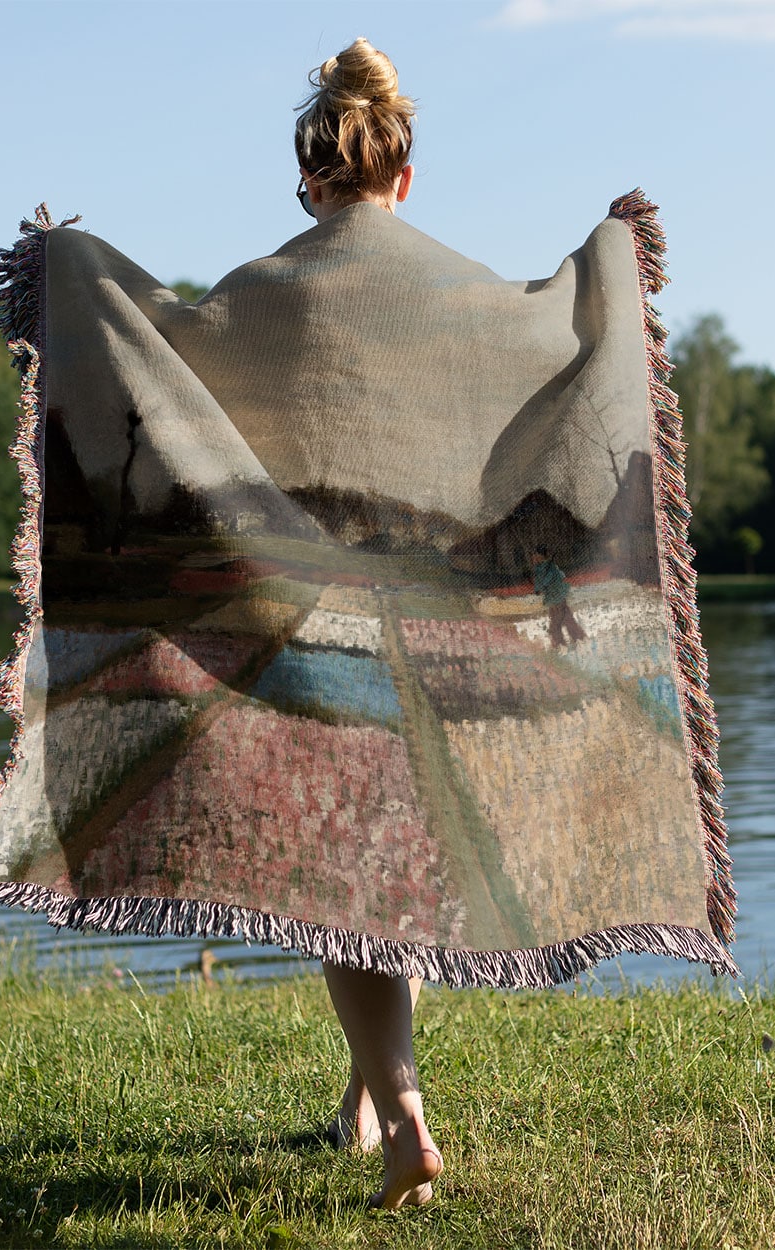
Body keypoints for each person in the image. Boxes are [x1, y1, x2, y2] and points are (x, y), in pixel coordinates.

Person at [292, 38, 442, 1211]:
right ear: (401, 176)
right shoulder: (451, 290)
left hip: (316, 616)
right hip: (433, 620)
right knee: (387, 868)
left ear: (311, 180)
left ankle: (403, 1118)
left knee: (339, 882)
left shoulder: (267, 289)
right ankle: (358, 1099)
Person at [532, 545, 588, 648]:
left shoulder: (550, 567)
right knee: (566, 618)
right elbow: (540, 582)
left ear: (539, 556)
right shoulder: (541, 567)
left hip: (556, 597)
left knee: (556, 623)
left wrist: (541, 587)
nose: (533, 558)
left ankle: (560, 644)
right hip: (554, 598)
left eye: (535, 555)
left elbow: (559, 576)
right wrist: (538, 588)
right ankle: (578, 638)